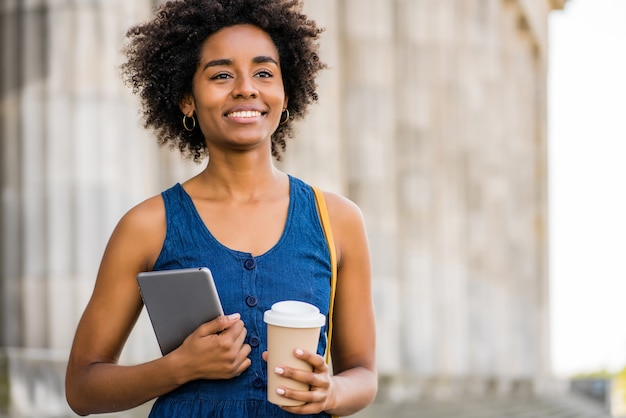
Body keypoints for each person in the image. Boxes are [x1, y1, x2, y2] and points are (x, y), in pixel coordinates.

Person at [65, 0, 377, 417]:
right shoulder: (147, 226)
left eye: (264, 73)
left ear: (286, 95)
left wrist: (330, 393)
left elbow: (363, 373)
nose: (246, 87)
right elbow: (82, 388)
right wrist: (177, 368)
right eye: (221, 75)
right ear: (186, 99)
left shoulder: (336, 220)